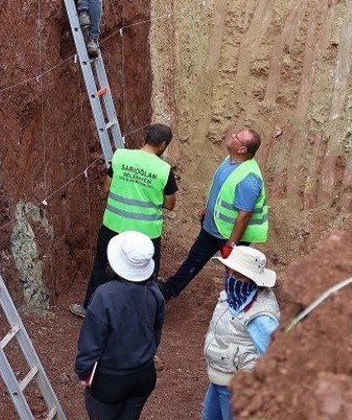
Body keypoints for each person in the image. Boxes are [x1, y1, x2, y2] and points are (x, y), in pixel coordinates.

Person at [70, 123, 178, 318]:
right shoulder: (164, 170)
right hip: (146, 232)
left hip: (114, 224)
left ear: (146, 137)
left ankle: (90, 307)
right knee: (147, 273)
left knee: (102, 266)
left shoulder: (120, 156)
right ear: (163, 144)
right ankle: (143, 315)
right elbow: (170, 204)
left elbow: (106, 188)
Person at [158, 127, 267, 302]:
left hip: (229, 236)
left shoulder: (249, 179)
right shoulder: (229, 161)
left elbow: (244, 215)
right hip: (212, 227)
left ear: (242, 150)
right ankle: (168, 290)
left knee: (235, 273)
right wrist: (209, 209)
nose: (232, 136)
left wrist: (231, 244)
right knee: (194, 260)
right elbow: (223, 191)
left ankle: (237, 303)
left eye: (237, 137)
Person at [74, 230, 165, 420]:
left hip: (110, 380)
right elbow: (156, 330)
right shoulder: (155, 291)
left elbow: (91, 342)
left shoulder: (104, 295)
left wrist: (84, 372)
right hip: (144, 376)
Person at [201, 245, 280, 420]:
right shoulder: (230, 297)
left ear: (253, 280)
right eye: (229, 272)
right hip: (219, 378)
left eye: (238, 276)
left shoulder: (260, 317)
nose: (230, 279)